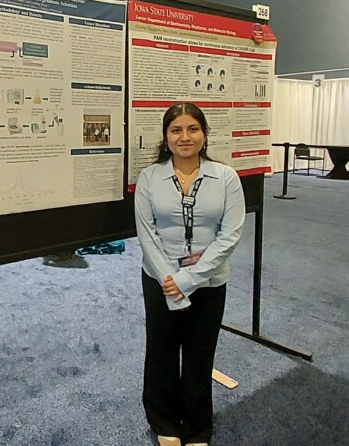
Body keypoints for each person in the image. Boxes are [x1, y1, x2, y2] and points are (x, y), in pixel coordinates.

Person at [134, 103, 246, 446]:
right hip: (159, 279)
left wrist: (187, 280)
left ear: (204, 133)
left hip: (210, 282)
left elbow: (230, 234)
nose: (185, 137)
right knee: (162, 351)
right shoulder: (150, 178)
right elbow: (146, 233)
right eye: (176, 130)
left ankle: (197, 426)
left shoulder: (226, 177)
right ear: (166, 137)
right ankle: (164, 422)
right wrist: (170, 281)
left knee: (200, 353)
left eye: (193, 129)